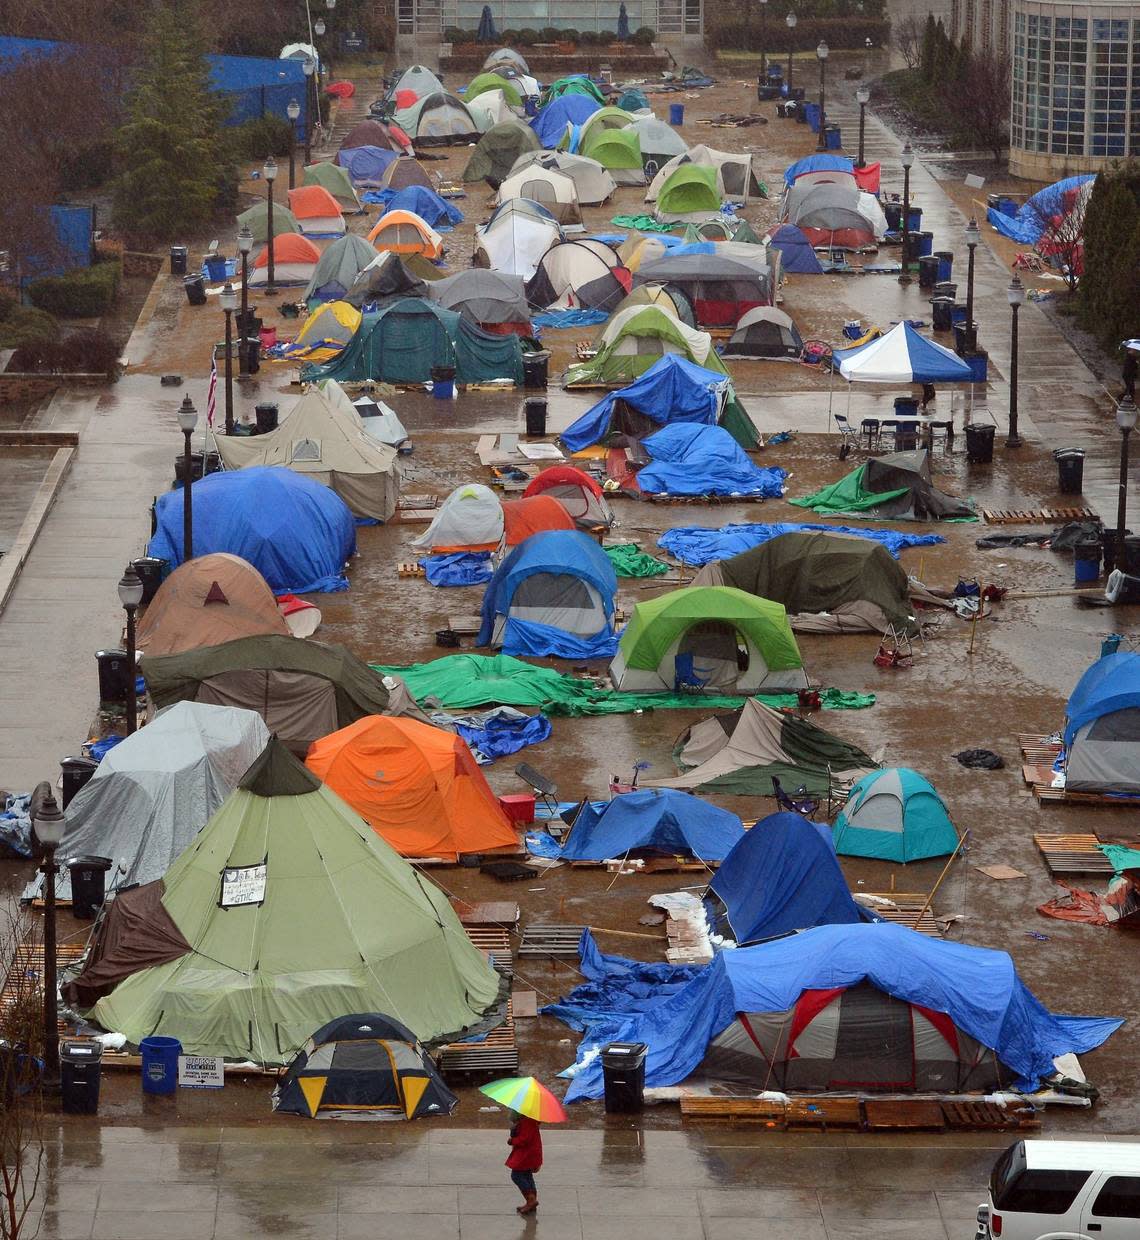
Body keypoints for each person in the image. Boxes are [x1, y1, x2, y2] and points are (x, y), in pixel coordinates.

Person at [506, 1109, 543, 1215]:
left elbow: (524, 1139)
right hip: (529, 1152)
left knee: (516, 1175)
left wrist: (512, 1141)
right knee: (526, 1175)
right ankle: (531, 1202)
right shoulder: (528, 1120)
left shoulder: (527, 1121)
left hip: (526, 1154)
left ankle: (531, 1200)